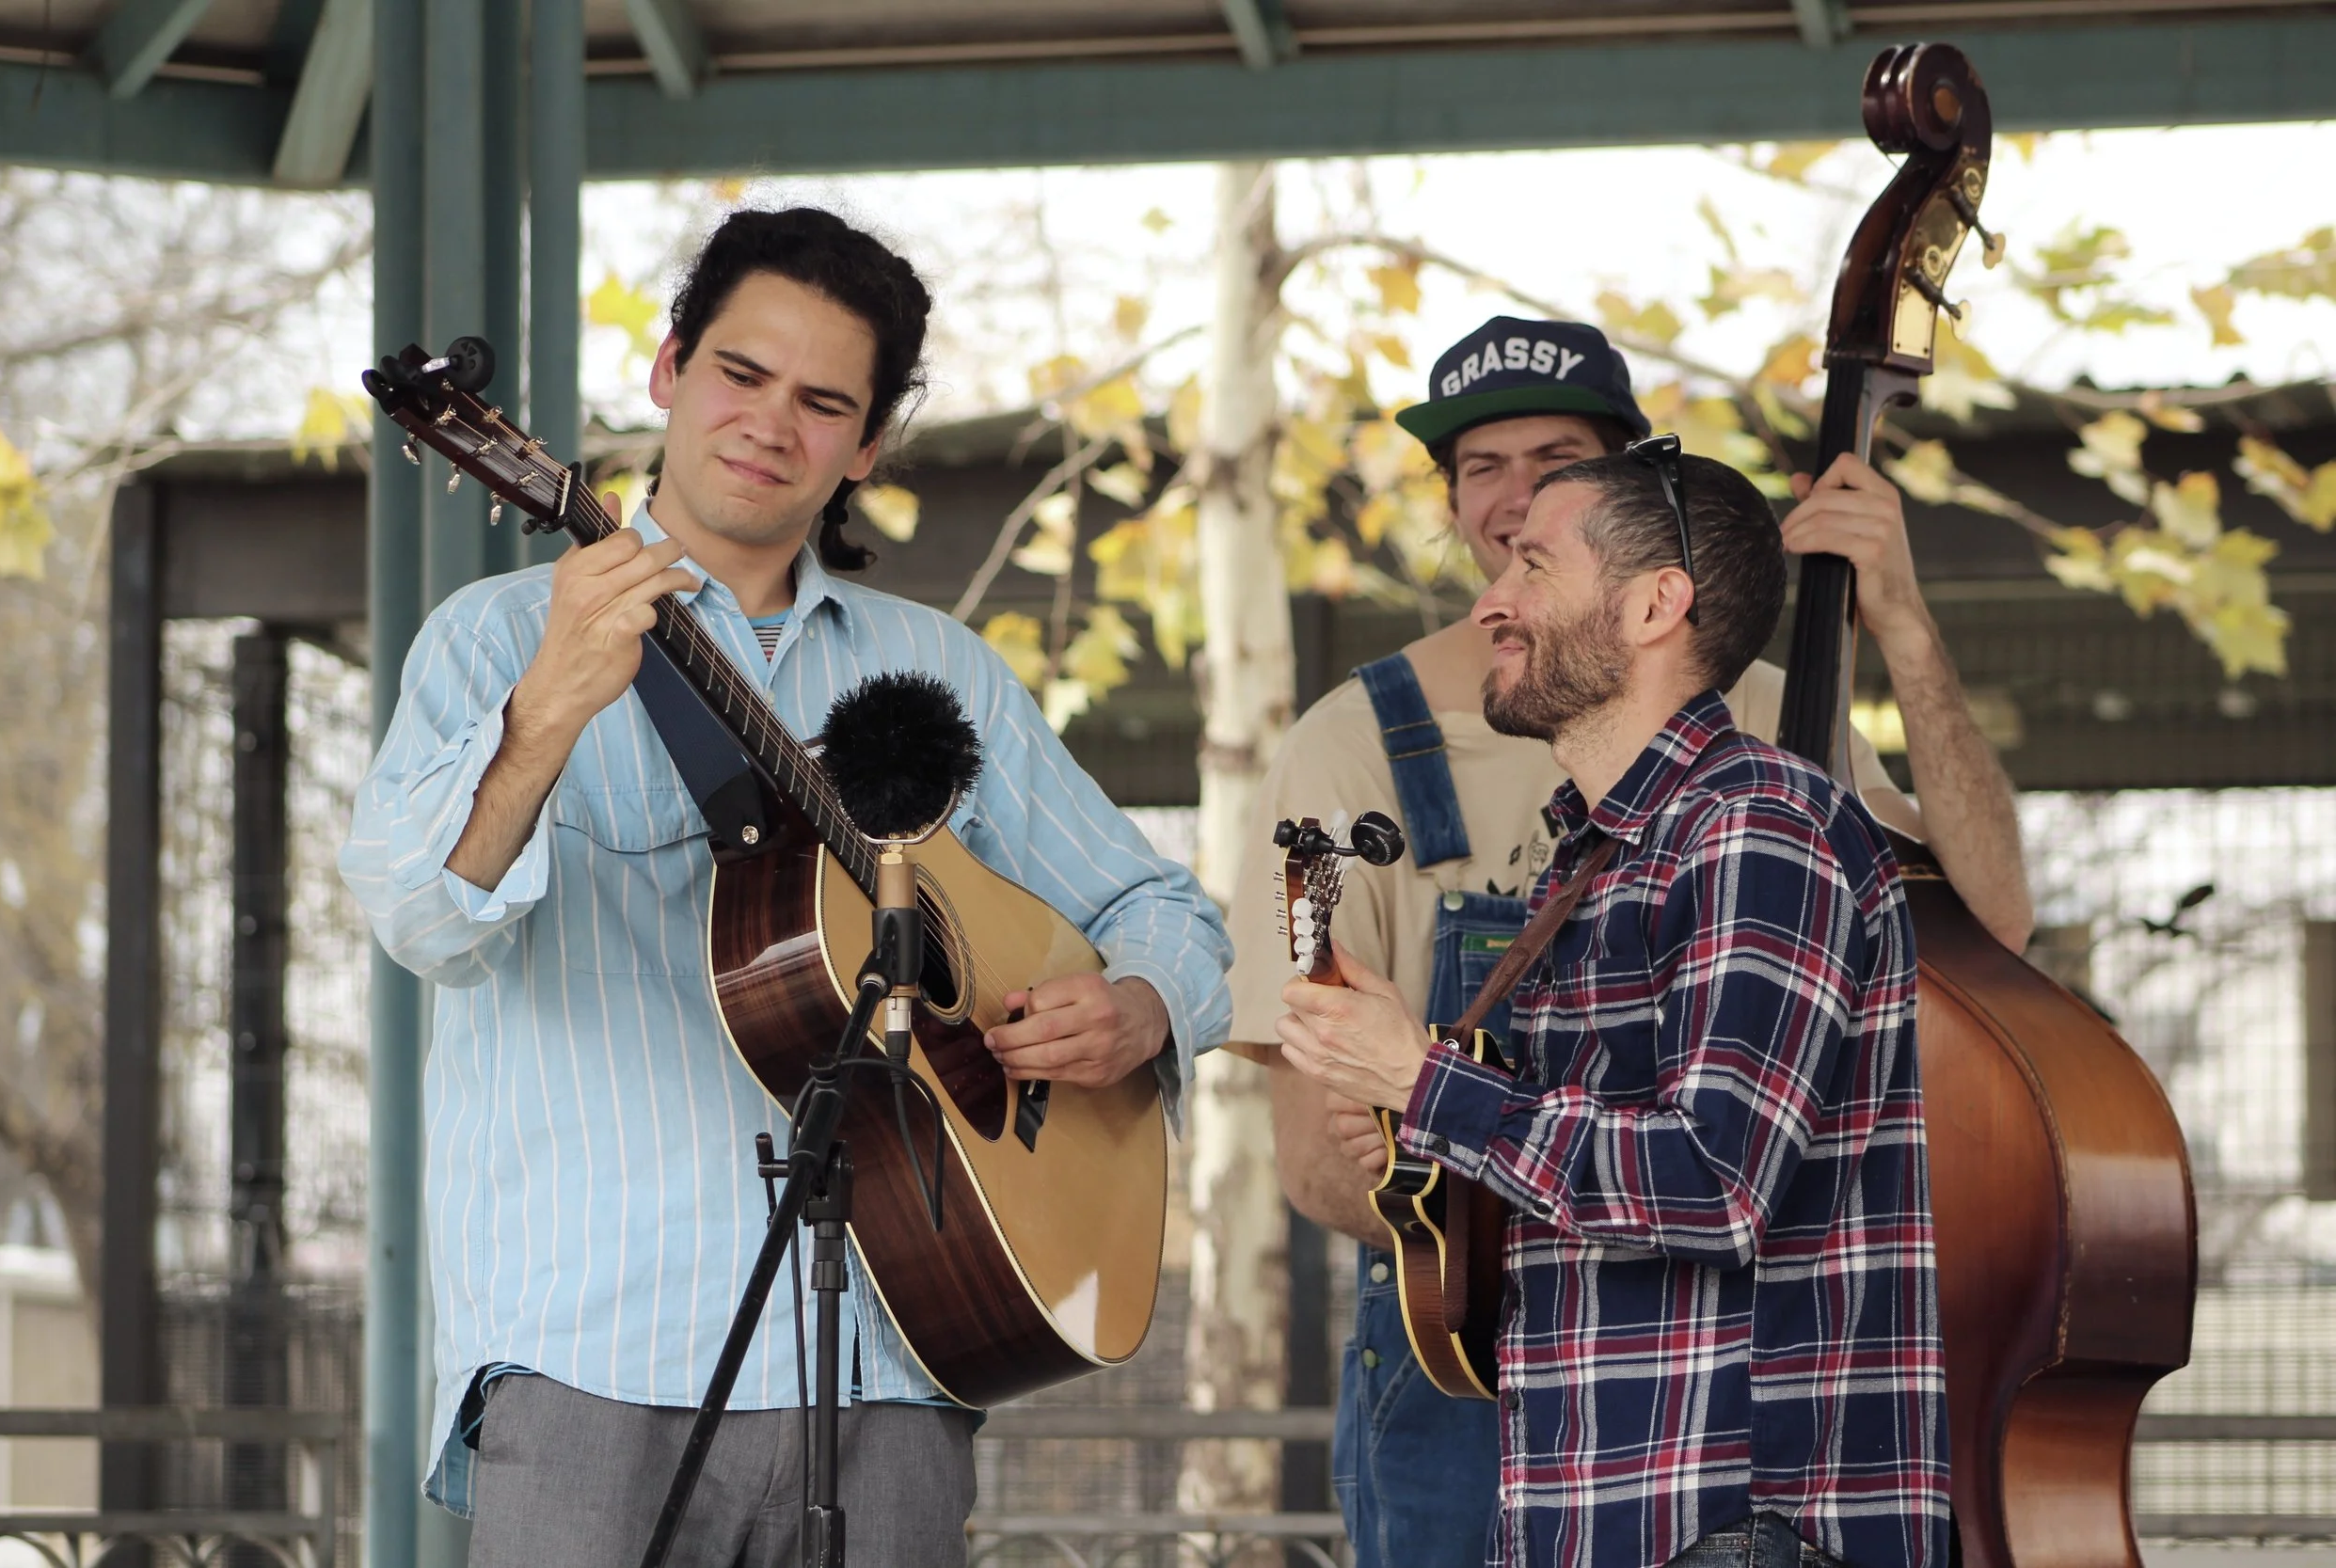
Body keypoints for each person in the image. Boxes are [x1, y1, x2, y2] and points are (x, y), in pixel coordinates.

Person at [341, 207, 1232, 1568]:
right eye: (741, 375)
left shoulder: (945, 669)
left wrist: (1141, 1008)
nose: (771, 424)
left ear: (867, 447)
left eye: (825, 403)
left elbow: (1171, 915)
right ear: (669, 371)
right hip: (594, 1362)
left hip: (888, 1356)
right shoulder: (493, 641)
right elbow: (416, 916)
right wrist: (543, 715)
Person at [1221, 318, 2023, 1568]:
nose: (1496, 578)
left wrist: (1421, 1085)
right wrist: (1409, 1162)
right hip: (1548, 1405)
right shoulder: (1521, 814)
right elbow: (1323, 1045)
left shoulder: (1757, 807)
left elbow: (1714, 1177)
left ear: (1657, 593)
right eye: (1484, 471)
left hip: (1730, 1500)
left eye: (1545, 528)